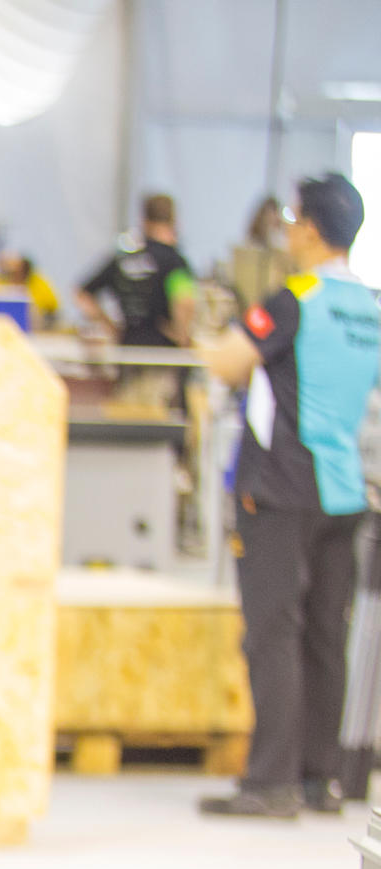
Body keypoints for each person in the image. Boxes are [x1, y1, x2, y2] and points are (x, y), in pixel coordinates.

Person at [197, 174, 381, 819]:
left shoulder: (295, 297)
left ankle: (268, 781)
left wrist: (209, 340)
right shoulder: (372, 306)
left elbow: (227, 360)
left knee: (273, 631)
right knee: (327, 635)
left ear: (306, 229)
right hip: (344, 490)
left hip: (279, 489)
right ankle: (317, 778)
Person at [77, 193, 195, 349]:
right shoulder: (174, 261)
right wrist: (183, 337)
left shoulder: (123, 259)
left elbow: (83, 294)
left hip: (128, 348)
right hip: (164, 353)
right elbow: (185, 301)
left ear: (144, 220)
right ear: (173, 220)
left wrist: (111, 328)